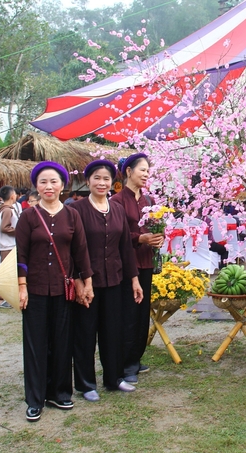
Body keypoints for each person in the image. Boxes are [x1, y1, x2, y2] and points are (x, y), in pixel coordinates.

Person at [15, 161, 94, 423]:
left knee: (62, 341)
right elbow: (21, 255)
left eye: (54, 181)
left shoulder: (72, 216)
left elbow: (80, 252)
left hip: (63, 289)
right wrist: (22, 286)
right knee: (36, 344)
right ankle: (35, 399)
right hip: (35, 289)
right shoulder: (27, 217)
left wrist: (87, 282)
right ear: (36, 186)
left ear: (63, 185)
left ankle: (60, 392)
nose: (49, 187)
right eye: (43, 182)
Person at [72, 160, 143, 401]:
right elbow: (73, 249)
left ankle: (114, 378)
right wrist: (79, 280)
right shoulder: (77, 210)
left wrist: (134, 279)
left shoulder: (118, 210)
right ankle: (86, 384)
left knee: (113, 330)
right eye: (96, 178)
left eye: (106, 179)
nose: (101, 183)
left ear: (112, 182)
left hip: (115, 279)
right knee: (85, 332)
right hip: (88, 281)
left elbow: (125, 248)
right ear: (88, 181)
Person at [110, 153, 164, 384]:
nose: (146, 174)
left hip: (146, 262)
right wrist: (139, 238)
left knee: (142, 313)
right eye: (142, 170)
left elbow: (154, 225)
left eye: (148, 171)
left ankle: (136, 357)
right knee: (128, 313)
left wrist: (158, 237)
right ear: (128, 171)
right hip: (126, 264)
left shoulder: (149, 201)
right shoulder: (117, 201)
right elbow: (116, 235)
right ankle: (124, 362)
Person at [0, 185, 19, 309]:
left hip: (7, 244)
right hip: (8, 245)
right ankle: (2, 298)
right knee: (8, 273)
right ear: (12, 196)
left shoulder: (3, 209)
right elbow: (5, 227)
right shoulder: (8, 210)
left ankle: (4, 297)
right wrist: (19, 231)